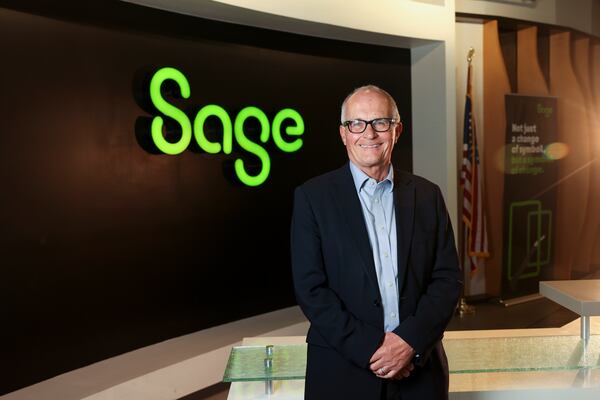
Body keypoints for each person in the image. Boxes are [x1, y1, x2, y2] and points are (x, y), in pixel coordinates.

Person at [291, 85, 462, 399]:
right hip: (342, 372)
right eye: (356, 124)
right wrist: (376, 349)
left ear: (397, 130)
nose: (368, 134)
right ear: (343, 134)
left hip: (419, 371)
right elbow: (311, 289)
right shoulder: (313, 198)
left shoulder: (427, 195)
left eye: (380, 123)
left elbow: (447, 279)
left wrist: (408, 342)